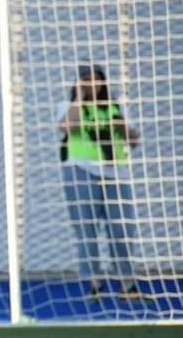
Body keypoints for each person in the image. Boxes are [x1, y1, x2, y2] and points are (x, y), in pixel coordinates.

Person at [57, 64, 145, 301]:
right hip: (81, 171)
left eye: (95, 80)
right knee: (86, 227)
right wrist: (79, 99)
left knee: (121, 229)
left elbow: (133, 142)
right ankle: (94, 283)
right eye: (85, 80)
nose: (91, 84)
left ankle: (127, 283)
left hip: (114, 173)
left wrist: (125, 128)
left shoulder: (115, 107)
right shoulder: (69, 107)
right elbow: (66, 127)